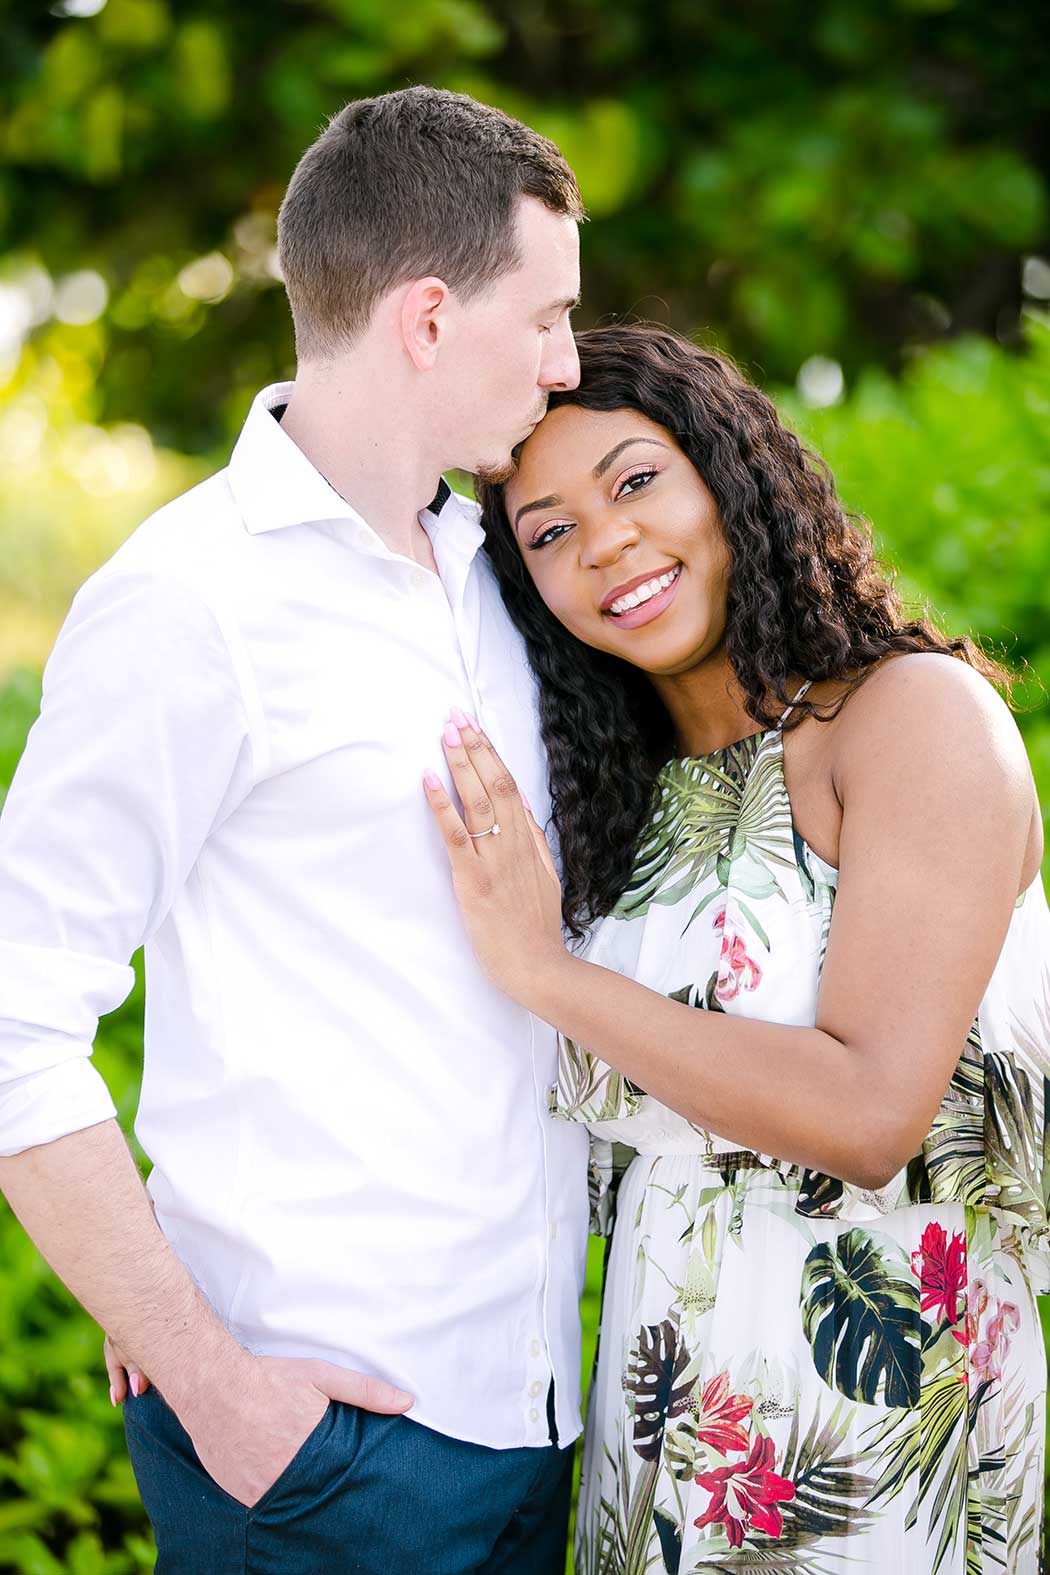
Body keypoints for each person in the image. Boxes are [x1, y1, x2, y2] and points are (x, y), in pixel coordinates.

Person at [0, 87, 591, 1574]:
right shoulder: (189, 601)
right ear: (429, 316)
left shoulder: (499, 574)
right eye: (547, 319)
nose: (567, 364)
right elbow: (13, 1011)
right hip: (324, 1450)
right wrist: (204, 1367)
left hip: (539, 1412)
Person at [422, 322, 1050, 1572]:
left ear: (732, 471)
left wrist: (549, 975)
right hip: (659, 1427)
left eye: (636, 480)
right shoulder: (625, 805)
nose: (605, 544)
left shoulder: (906, 720)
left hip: (875, 1446)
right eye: (548, 534)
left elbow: (873, 1108)